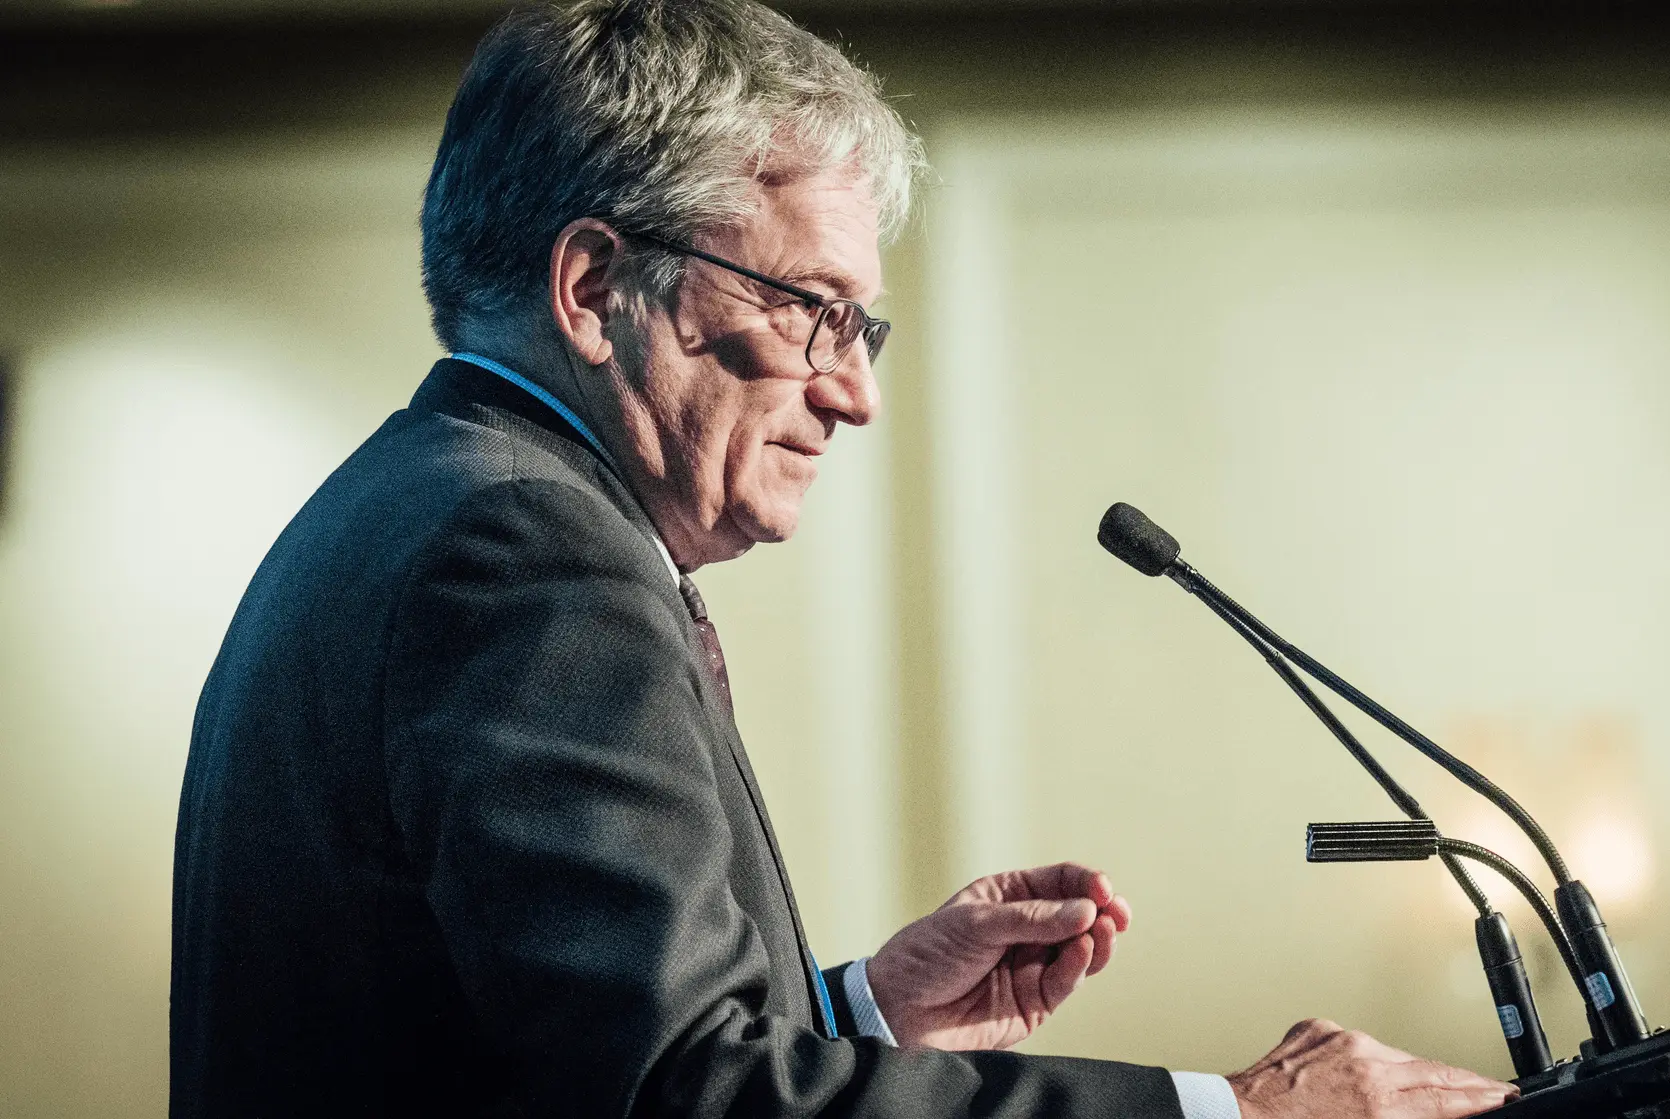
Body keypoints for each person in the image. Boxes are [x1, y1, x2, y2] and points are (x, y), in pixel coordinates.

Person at [169, 3, 1522, 1117]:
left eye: (861, 330)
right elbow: (689, 1098)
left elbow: (578, 1053)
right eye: (813, 309)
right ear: (592, 289)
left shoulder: (417, 501)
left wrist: (862, 1010)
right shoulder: (523, 552)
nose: (855, 393)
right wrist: (1238, 1112)